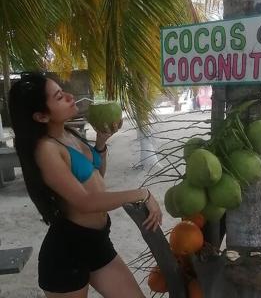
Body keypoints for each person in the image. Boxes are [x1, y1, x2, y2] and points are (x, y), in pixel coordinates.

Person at [8, 73, 162, 298]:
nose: (70, 96)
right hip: (67, 252)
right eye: (60, 97)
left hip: (97, 242)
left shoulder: (68, 134)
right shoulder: (47, 150)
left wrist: (100, 144)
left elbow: (96, 178)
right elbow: (85, 202)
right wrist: (141, 193)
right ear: (41, 116)